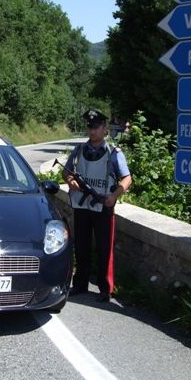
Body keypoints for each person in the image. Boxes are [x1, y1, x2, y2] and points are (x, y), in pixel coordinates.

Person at [63, 109, 132, 302]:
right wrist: (70, 181)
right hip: (82, 206)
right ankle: (80, 284)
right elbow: (67, 172)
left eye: (95, 127)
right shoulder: (78, 151)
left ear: (104, 129)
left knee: (104, 249)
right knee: (81, 247)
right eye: (89, 127)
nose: (91, 131)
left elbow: (127, 178)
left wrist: (115, 196)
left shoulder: (113, 153)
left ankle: (105, 288)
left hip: (103, 207)